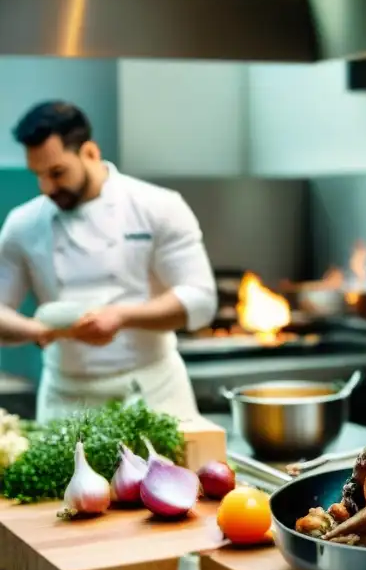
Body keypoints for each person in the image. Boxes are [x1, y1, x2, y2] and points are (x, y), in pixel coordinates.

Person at [0, 101, 217, 422]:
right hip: (66, 399)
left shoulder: (159, 207)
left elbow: (201, 301)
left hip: (153, 393)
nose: (47, 188)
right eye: (39, 175)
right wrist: (37, 330)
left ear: (89, 152)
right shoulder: (23, 224)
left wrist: (122, 316)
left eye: (57, 173)